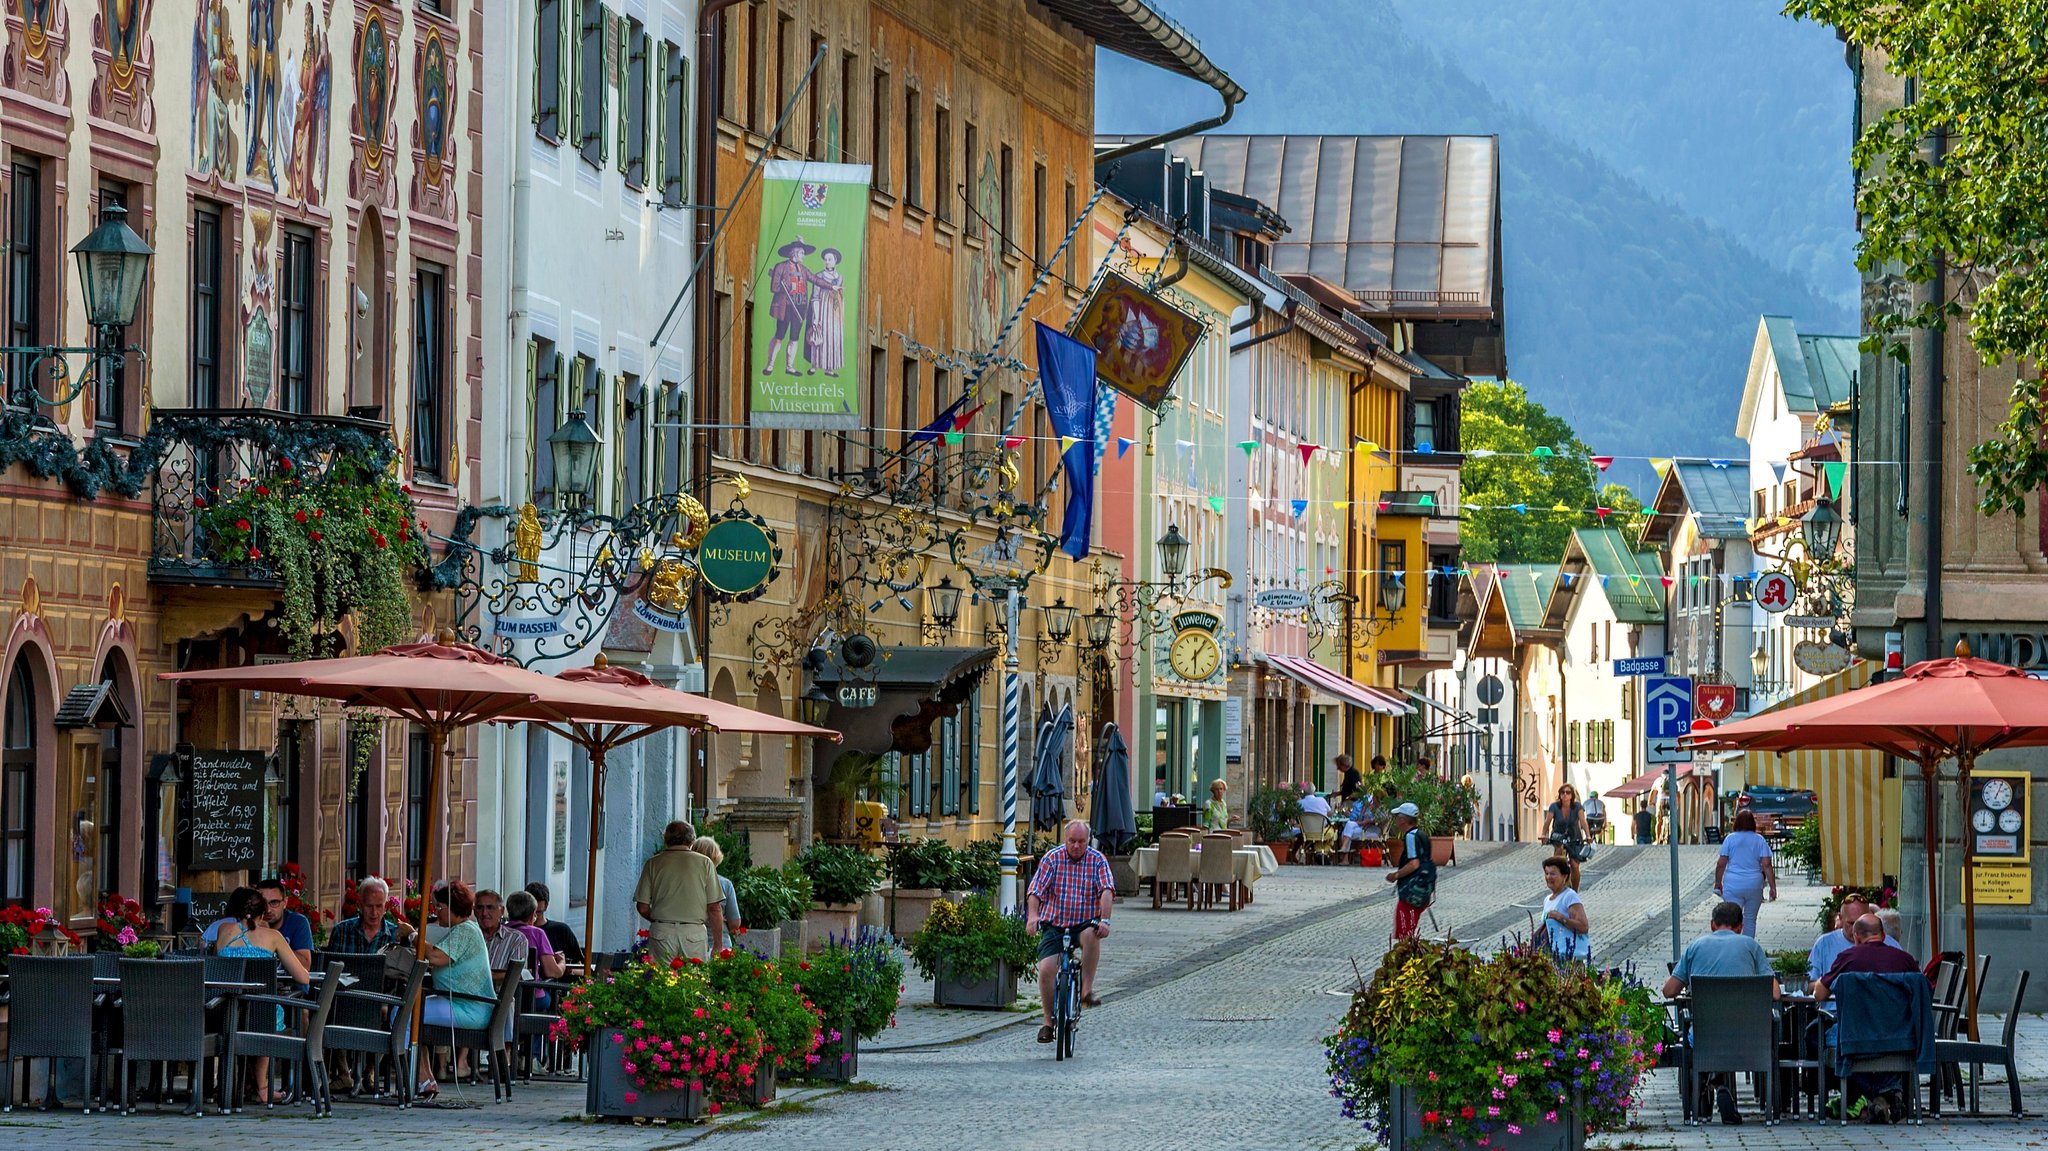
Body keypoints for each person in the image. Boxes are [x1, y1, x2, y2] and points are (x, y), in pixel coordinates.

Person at [1661, 901, 1777, 1125]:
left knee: (1696, 1034)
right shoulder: (1751, 946)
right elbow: (1775, 994)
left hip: (1705, 1036)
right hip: (1750, 1038)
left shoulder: (1695, 947)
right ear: (1741, 926)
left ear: (1712, 925)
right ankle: (1719, 1083)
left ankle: (1713, 1086)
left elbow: (1669, 991)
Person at [1813, 914, 1925, 1123]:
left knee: (1815, 1035)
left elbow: (1819, 995)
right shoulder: (1905, 959)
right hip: (1900, 1037)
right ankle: (1887, 1092)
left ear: (1856, 936)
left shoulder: (1848, 957)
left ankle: (1868, 1095)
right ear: (1882, 935)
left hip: (1856, 1038)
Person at [211, 885, 314, 1105]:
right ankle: (263, 1088)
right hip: (262, 1014)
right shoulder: (273, 937)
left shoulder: (224, 931)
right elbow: (303, 977)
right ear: (262, 913)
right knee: (266, 1011)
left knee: (245, 1016)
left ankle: (231, 1084)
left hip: (228, 1013)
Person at [1025, 818, 1114, 1045]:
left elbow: (1106, 890)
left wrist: (1105, 920)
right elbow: (1035, 890)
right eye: (1072, 841)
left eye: (1081, 842)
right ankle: (1048, 1023)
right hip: (1055, 923)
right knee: (1046, 969)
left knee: (1092, 936)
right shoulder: (1052, 858)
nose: (1076, 846)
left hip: (1084, 922)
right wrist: (1033, 916)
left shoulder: (1097, 860)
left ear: (1088, 841)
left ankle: (1086, 991)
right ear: (1065, 839)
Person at [413, 880, 496, 1099]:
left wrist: (414, 936)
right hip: (468, 1006)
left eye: (439, 907)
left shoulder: (465, 931)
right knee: (410, 1010)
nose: (437, 912)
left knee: (403, 1013)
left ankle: (421, 1078)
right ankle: (425, 1077)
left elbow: (438, 957)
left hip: (469, 1010)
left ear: (452, 907)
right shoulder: (465, 930)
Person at [633, 820, 725, 965]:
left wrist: (661, 918)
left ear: (666, 839)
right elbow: (714, 908)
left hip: (662, 932)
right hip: (693, 933)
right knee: (694, 982)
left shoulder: (653, 863)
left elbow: (642, 907)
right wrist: (718, 945)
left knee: (660, 982)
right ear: (692, 840)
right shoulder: (705, 863)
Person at [204, 876, 315, 968]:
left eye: (274, 902)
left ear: (285, 902)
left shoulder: (297, 922)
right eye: (263, 903)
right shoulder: (237, 928)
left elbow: (306, 965)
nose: (268, 909)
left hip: (288, 989)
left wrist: (272, 939)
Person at [1713, 810, 1778, 938]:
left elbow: (1721, 863)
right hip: (1754, 884)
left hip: (1733, 884)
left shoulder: (1730, 839)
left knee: (1731, 919)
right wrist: (1772, 886)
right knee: (1750, 919)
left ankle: (1731, 946)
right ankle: (1747, 948)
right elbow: (1766, 864)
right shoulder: (1759, 840)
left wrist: (1718, 882)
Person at [1385, 802, 1436, 940]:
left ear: (1403, 820)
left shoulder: (1410, 836)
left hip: (1412, 889)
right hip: (1423, 888)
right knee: (1409, 931)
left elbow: (1414, 864)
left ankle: (1408, 959)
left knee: (1404, 934)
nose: (1395, 820)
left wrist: (1395, 875)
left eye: (1397, 817)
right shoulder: (1422, 835)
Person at [328, 875, 415, 953]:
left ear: (386, 907)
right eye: (369, 906)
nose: (374, 912)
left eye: (379, 906)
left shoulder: (396, 935)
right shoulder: (342, 931)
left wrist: (413, 934)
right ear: (360, 906)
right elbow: (330, 968)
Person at [693, 835, 745, 953]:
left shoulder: (686, 882)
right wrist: (721, 918)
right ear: (717, 857)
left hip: (692, 944)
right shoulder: (725, 884)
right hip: (721, 945)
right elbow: (735, 923)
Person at [504, 889, 565, 980]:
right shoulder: (536, 933)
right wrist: (562, 961)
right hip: (531, 991)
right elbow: (552, 972)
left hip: (502, 989)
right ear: (533, 915)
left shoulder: (501, 931)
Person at [1539, 856, 1591, 962]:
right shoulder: (1547, 899)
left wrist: (1560, 918)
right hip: (1554, 955)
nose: (1548, 877)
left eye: (1553, 874)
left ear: (1564, 876)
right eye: (1546, 873)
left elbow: (1584, 926)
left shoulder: (1570, 896)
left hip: (1571, 958)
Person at [1808, 894, 1871, 981]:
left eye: (1861, 923)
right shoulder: (1824, 943)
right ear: (1840, 918)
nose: (1856, 929)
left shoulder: (1888, 943)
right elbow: (1809, 984)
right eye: (1851, 923)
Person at [523, 881, 584, 967]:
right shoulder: (518, 932)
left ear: (546, 906)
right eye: (531, 912)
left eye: (538, 912)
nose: (534, 917)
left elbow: (579, 963)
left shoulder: (561, 930)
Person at [1542, 784, 1589, 887]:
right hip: (1558, 836)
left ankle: (1575, 891)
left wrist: (1588, 836)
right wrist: (1543, 835)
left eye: (1568, 792)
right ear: (1559, 795)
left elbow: (1583, 821)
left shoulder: (1577, 807)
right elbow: (1548, 821)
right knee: (1559, 855)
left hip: (1574, 836)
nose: (1565, 795)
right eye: (1562, 792)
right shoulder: (1554, 806)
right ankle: (1557, 881)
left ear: (1572, 795)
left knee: (1574, 865)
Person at [474, 889, 530, 974]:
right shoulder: (467, 936)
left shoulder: (516, 939)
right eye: (479, 908)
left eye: (490, 907)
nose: (484, 913)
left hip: (500, 987)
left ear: (502, 911)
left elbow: (516, 974)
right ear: (474, 911)